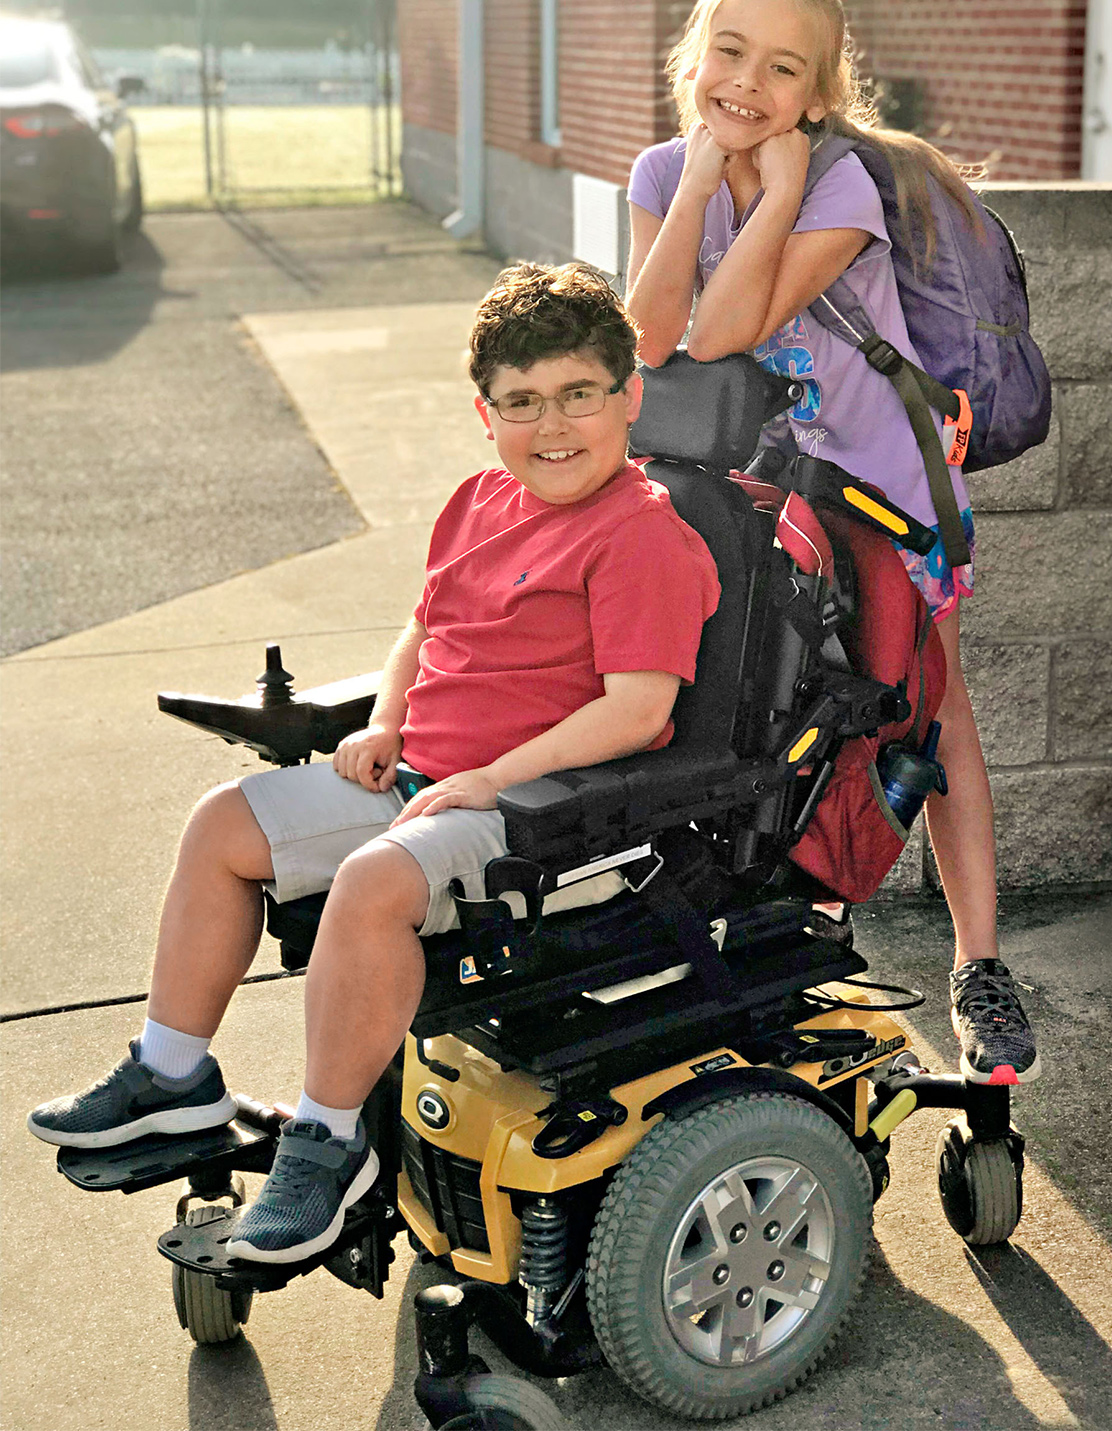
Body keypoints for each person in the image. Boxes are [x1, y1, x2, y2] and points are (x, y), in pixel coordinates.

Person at [28, 263, 721, 1263]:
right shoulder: (480, 500)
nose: (552, 425)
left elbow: (637, 709)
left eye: (578, 394)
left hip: (552, 816)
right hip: (421, 785)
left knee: (369, 881)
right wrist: (387, 720)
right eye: (521, 403)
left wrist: (491, 776)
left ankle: (329, 1140)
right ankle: (173, 1076)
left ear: (628, 399)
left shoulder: (639, 536)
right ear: (487, 417)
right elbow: (423, 626)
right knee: (225, 823)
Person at [624, 0, 1039, 1086]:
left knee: (926, 705)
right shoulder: (665, 169)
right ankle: (770, 933)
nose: (747, 82)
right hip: (758, 496)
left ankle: (978, 962)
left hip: (878, 488)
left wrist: (779, 179)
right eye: (728, 51)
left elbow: (727, 327)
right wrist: (702, 181)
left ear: (815, 92)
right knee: (764, 711)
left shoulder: (842, 184)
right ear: (693, 56)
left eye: (781, 67)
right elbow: (649, 334)